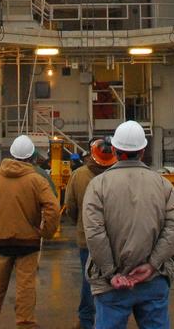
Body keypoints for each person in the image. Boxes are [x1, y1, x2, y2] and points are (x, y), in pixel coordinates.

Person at [83, 121, 174, 329]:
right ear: (143, 151)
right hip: (153, 279)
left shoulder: (98, 185)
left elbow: (94, 233)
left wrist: (111, 273)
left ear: (114, 150)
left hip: (112, 285)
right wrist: (152, 264)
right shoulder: (163, 184)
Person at [0, 134, 60, 329]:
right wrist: (46, 232)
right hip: (28, 243)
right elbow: (53, 208)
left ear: (11, 155)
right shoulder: (37, 180)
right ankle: (25, 324)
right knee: (25, 288)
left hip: (1, 241)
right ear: (32, 157)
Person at [64, 138, 116, 329]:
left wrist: (80, 222)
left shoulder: (78, 175)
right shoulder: (117, 175)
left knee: (89, 280)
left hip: (86, 238)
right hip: (114, 239)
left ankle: (87, 321)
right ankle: (109, 319)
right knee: (114, 280)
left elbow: (70, 206)